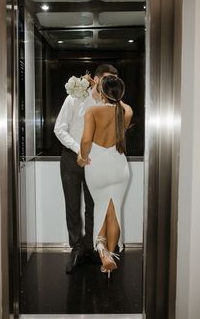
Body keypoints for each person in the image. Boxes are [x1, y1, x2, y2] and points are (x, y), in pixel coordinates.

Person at [54, 64, 118, 274]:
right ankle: (76, 250)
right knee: (72, 207)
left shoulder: (110, 103)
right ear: (96, 79)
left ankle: (91, 249)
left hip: (96, 162)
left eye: (114, 81)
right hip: (71, 159)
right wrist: (78, 150)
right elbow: (59, 129)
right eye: (107, 79)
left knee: (93, 207)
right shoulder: (74, 97)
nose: (110, 84)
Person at [77, 75, 133, 278]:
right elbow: (119, 103)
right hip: (119, 166)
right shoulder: (127, 111)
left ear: (101, 92)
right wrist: (108, 89)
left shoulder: (92, 111)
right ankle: (109, 256)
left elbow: (85, 140)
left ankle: (104, 255)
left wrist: (82, 158)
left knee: (101, 208)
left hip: (97, 165)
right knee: (114, 211)